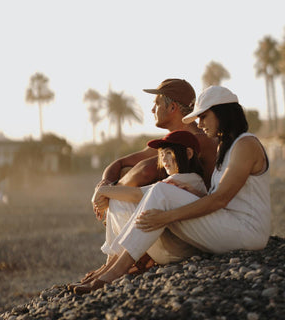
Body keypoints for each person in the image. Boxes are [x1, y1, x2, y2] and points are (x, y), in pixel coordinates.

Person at [74, 85, 271, 294]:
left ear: (222, 113)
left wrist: (167, 216)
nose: (200, 123)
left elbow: (221, 200)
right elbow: (218, 196)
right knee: (150, 194)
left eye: (204, 116)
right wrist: (189, 193)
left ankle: (114, 274)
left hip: (247, 232)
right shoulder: (226, 146)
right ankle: (113, 266)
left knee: (161, 191)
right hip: (226, 224)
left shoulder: (245, 144)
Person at [91, 79, 217, 274]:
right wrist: (106, 184)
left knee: (133, 180)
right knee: (125, 176)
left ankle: (127, 261)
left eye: (156, 103)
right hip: (174, 216)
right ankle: (116, 261)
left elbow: (145, 171)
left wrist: (108, 194)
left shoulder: (195, 141)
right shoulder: (172, 142)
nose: (152, 110)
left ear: (173, 107)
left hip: (193, 225)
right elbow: (118, 163)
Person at [69, 130, 207, 291]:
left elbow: (137, 194)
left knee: (126, 200)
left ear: (189, 153)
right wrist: (106, 192)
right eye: (162, 154)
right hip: (172, 247)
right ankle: (108, 268)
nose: (164, 159)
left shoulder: (187, 180)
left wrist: (101, 191)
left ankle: (113, 272)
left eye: (169, 153)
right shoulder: (179, 180)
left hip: (179, 251)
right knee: (119, 201)